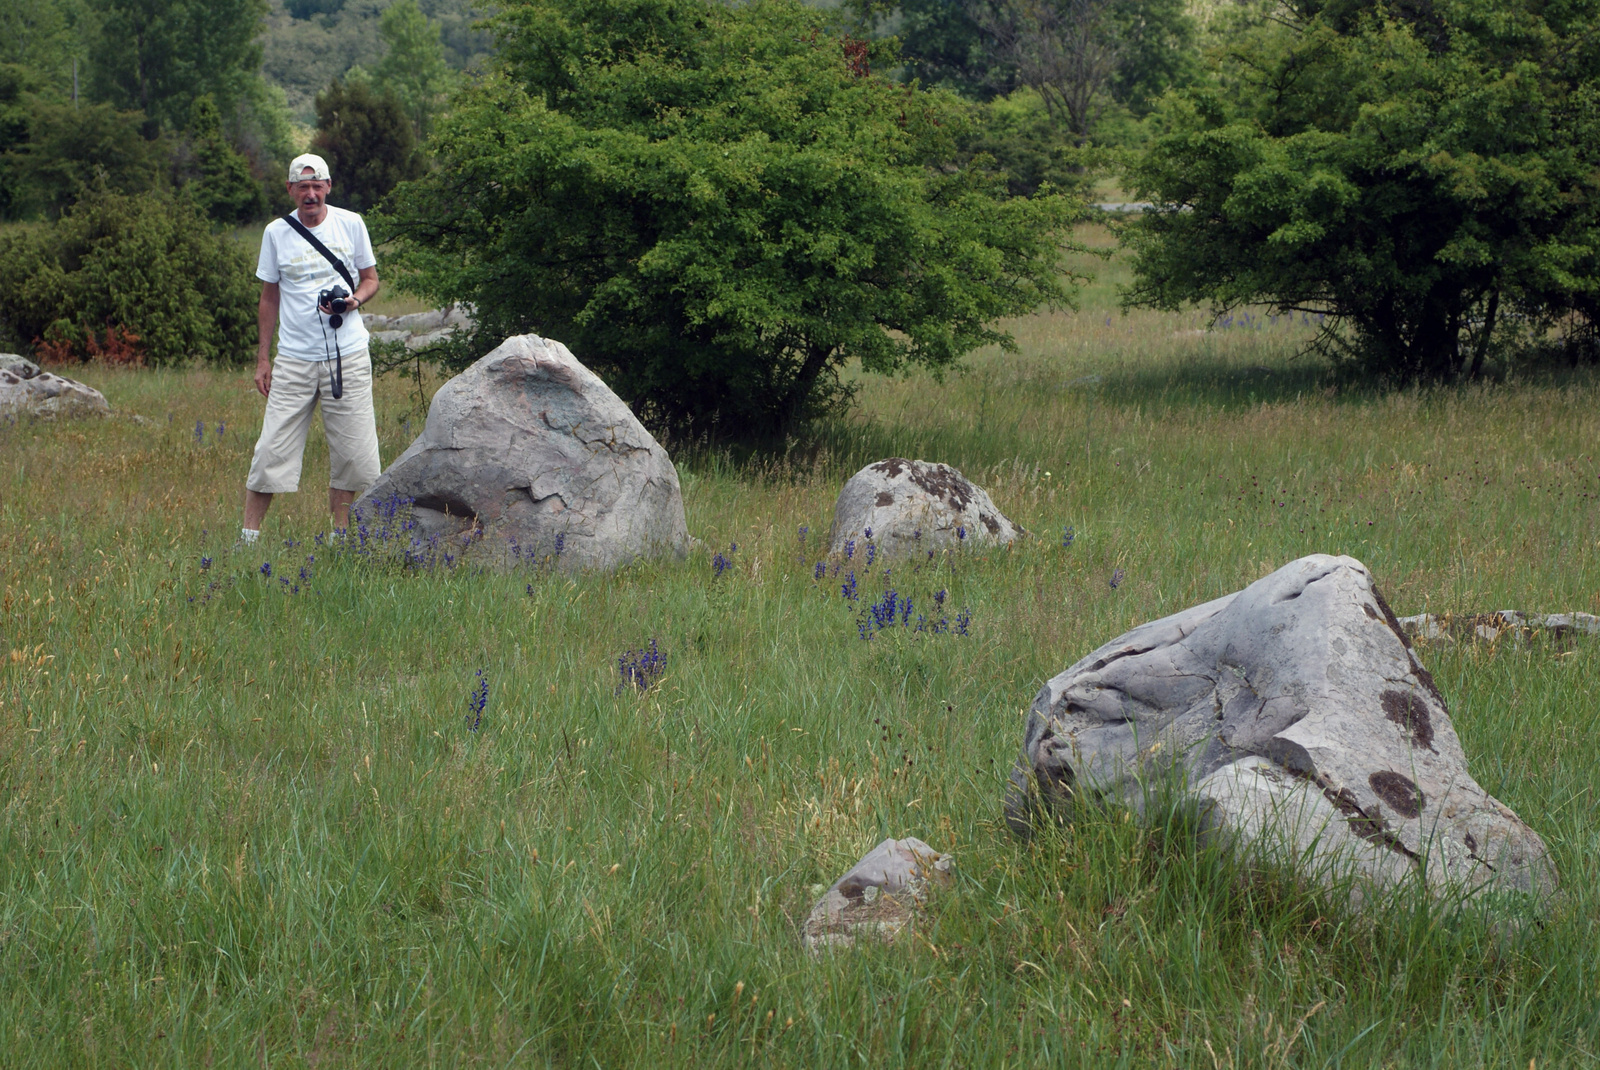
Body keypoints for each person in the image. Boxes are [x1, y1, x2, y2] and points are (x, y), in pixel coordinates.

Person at [238, 152, 382, 546]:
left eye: (318, 186)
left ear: (329, 187)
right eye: (303, 187)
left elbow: (371, 279)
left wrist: (354, 300)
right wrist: (263, 357)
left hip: (347, 354)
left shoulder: (351, 224)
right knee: (271, 450)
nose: (311, 194)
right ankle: (248, 541)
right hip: (295, 358)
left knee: (354, 454)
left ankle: (340, 539)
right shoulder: (275, 233)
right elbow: (269, 298)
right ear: (290, 190)